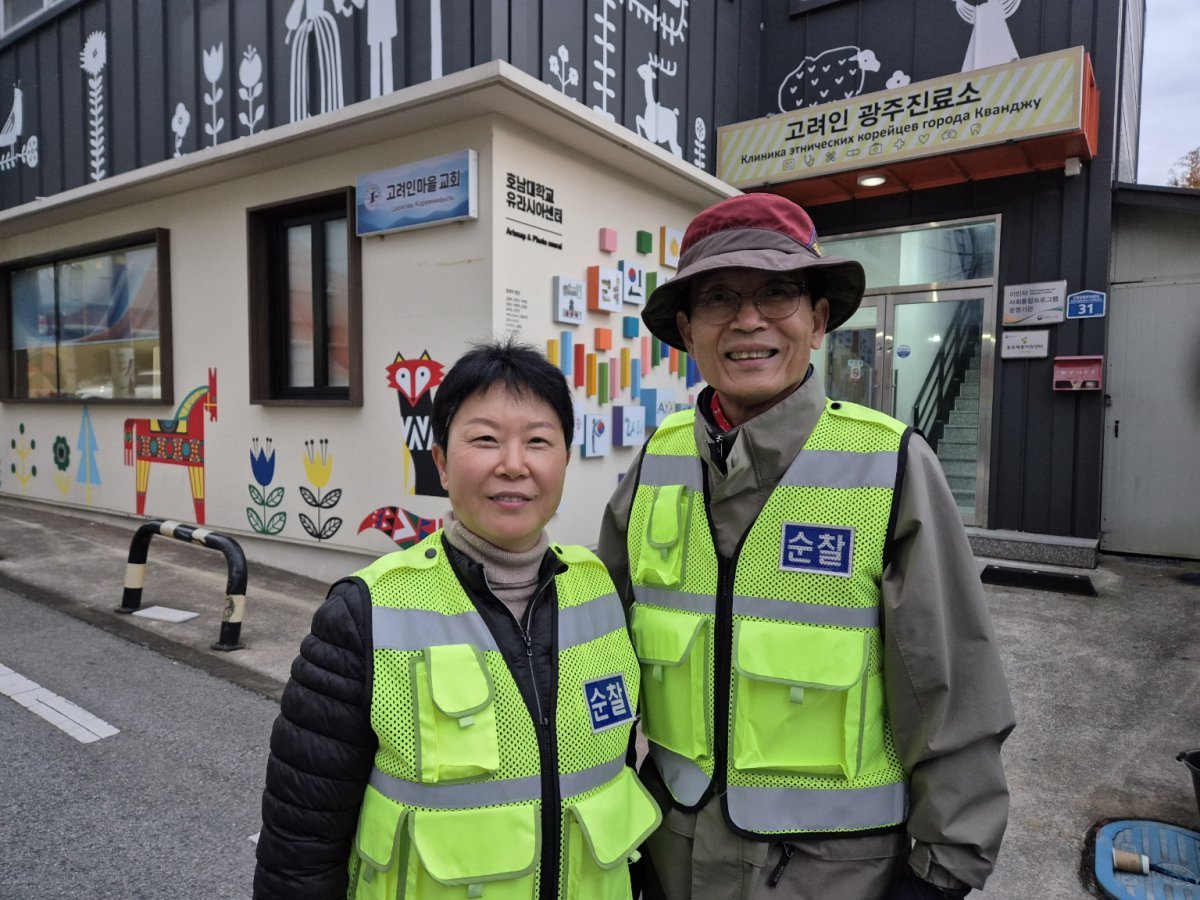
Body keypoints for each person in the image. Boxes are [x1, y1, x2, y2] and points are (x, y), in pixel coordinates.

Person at [597, 193, 1015, 900]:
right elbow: (597, 657)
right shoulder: (654, 465)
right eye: (719, 297)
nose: (748, 319)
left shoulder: (892, 465)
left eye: (778, 293)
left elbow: (951, 686)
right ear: (687, 330)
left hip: (832, 876)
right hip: (671, 858)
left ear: (818, 320)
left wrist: (942, 871)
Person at [255, 339, 660, 898]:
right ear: (441, 462)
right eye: (486, 439)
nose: (513, 464)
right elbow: (301, 844)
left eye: (539, 441)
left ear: (566, 459)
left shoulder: (602, 592)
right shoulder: (365, 612)